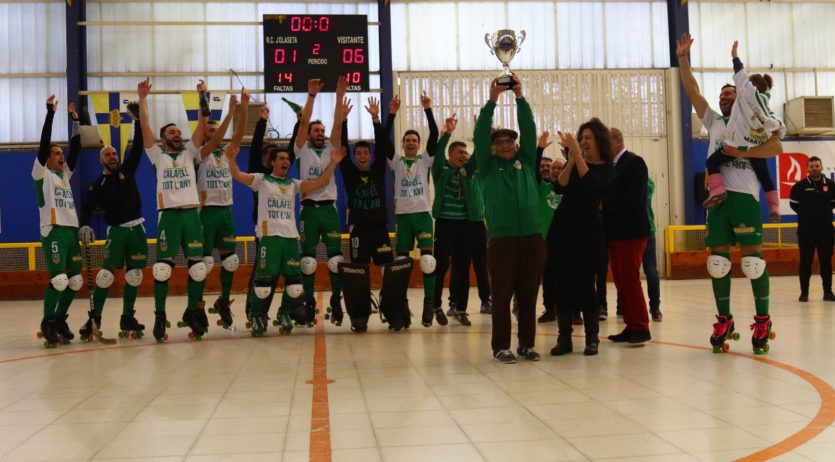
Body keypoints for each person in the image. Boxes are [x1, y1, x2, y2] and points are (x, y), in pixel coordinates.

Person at [677, 34, 783, 354]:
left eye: (730, 93)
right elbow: (692, 90)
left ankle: (762, 320)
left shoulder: (750, 126)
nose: (724, 97)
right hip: (717, 201)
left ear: (740, 100)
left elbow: (776, 146)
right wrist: (683, 58)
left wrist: (744, 150)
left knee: (752, 262)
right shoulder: (714, 121)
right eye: (721, 94)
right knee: (718, 263)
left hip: (744, 197)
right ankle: (724, 319)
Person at [227, 141, 345, 335]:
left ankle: (284, 312)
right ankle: (256, 314)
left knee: (295, 285)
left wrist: (333, 163)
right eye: (281, 158)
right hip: (270, 238)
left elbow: (319, 183)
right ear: (272, 162)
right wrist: (231, 159)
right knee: (263, 284)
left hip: (290, 238)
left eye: (288, 159)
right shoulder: (261, 179)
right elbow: (238, 175)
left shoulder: (293, 184)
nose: (286, 161)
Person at [474, 74, 545, 364]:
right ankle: (501, 346)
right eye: (499, 142)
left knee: (528, 296)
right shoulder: (488, 167)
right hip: (502, 239)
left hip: (532, 237)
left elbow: (528, 131)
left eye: (509, 142)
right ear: (492, 148)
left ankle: (526, 344)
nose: (505, 145)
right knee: (501, 297)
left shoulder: (526, 161)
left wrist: (520, 97)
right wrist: (491, 101)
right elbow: (480, 135)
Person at [138, 78, 209, 342]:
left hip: (191, 214)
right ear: (163, 138)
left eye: (179, 132)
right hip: (168, 215)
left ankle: (192, 311)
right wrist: (143, 98)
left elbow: (202, 125)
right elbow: (144, 125)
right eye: (172, 133)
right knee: (162, 269)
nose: (177, 135)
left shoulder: (190, 153)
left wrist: (204, 95)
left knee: (198, 268)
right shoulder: (157, 155)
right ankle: (159, 316)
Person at [78, 100, 147, 339]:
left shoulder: (127, 170)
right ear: (101, 160)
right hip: (116, 232)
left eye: (114, 153)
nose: (112, 156)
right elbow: (86, 208)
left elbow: (138, 147)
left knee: (135, 275)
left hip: (137, 229)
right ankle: (94, 319)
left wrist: (138, 121)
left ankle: (127, 317)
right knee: (105, 276)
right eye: (107, 154)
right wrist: (84, 224)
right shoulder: (97, 184)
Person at [379, 93, 446, 327]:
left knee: (428, 261)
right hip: (403, 219)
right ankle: (401, 305)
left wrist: (428, 109)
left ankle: (429, 303)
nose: (410, 143)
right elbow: (382, 140)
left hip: (423, 216)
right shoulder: (395, 161)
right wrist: (391, 114)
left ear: (418, 145)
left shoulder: (425, 160)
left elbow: (435, 135)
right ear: (403, 144)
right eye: (406, 140)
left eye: (414, 141)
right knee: (401, 265)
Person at [702, 41, 785, 224]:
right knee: (764, 175)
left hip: (738, 143)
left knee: (712, 161)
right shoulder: (766, 100)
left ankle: (717, 190)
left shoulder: (745, 94)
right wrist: (776, 127)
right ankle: (774, 207)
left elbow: (740, 75)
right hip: (756, 143)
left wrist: (734, 56)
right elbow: (778, 128)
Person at [549, 119, 613, 356]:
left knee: (587, 286)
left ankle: (592, 338)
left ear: (599, 140)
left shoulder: (607, 168)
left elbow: (592, 187)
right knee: (562, 285)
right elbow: (560, 187)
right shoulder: (576, 162)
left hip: (587, 234)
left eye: (588, 137)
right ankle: (564, 338)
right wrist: (573, 158)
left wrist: (576, 154)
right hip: (563, 230)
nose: (584, 141)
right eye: (581, 137)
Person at [294, 77, 347, 325]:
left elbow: (337, 125)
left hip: (329, 210)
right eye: (316, 131)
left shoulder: (330, 150)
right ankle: (308, 301)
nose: (320, 133)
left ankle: (337, 300)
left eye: (321, 131)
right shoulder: (301, 149)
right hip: (308, 211)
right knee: (307, 261)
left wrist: (339, 97)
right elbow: (304, 121)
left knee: (336, 260)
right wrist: (311, 96)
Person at [196, 85, 248, 329]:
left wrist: (243, 108)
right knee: (203, 264)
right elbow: (219, 135)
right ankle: (195, 306)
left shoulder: (226, 153)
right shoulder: (200, 153)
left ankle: (224, 302)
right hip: (206, 213)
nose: (215, 134)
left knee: (230, 262)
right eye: (210, 130)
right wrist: (226, 111)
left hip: (226, 211)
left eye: (216, 130)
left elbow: (237, 135)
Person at [33, 96, 83, 347]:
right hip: (52, 231)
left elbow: (77, 147)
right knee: (59, 280)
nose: (61, 156)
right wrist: (50, 114)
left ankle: (61, 319)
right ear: (47, 158)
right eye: (56, 153)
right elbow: (43, 145)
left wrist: (76, 121)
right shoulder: (41, 174)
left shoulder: (64, 174)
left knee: (75, 281)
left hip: (70, 232)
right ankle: (48, 322)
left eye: (61, 153)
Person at [431, 114, 484, 326]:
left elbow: (479, 154)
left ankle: (461, 309)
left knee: (463, 267)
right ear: (450, 154)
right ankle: (435, 305)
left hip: (465, 224)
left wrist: (480, 131)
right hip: (444, 224)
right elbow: (436, 152)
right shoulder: (440, 169)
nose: (464, 155)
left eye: (466, 153)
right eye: (460, 152)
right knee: (440, 265)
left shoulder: (468, 171)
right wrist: (447, 132)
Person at [603, 128, 651, 344]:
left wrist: (606, 204)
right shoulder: (611, 166)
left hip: (631, 231)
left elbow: (636, 195)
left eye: (607, 142)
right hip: (615, 231)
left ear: (619, 141)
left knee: (630, 279)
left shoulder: (634, 162)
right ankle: (631, 325)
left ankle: (641, 327)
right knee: (621, 281)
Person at [343, 97, 394, 266]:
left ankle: (387, 294)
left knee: (386, 264)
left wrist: (376, 119)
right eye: (359, 153)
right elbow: (343, 146)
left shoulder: (378, 169)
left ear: (370, 156)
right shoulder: (350, 172)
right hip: (358, 228)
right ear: (354, 156)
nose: (363, 156)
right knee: (359, 266)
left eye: (366, 153)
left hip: (379, 227)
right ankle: (362, 294)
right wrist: (344, 120)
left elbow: (381, 146)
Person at [789, 156, 835, 302]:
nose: (814, 168)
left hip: (826, 231)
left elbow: (833, 204)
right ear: (807, 168)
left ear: (821, 167)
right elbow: (794, 205)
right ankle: (804, 293)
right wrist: (807, 215)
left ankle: (828, 292)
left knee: (826, 262)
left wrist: (822, 213)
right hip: (806, 231)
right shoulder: (799, 186)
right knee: (805, 262)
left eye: (817, 166)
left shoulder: (831, 185)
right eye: (812, 166)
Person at [534, 132, 564, 324]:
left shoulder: (570, 189)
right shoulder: (542, 187)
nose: (554, 171)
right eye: (553, 168)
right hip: (545, 240)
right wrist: (540, 149)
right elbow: (535, 172)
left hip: (565, 240)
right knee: (548, 277)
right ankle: (549, 309)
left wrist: (570, 153)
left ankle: (571, 310)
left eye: (560, 168)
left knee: (567, 277)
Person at [643, 174, 663, 321]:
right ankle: (622, 307)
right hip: (632, 233)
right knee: (628, 272)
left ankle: (655, 307)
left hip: (647, 233)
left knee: (651, 271)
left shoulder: (647, 183)